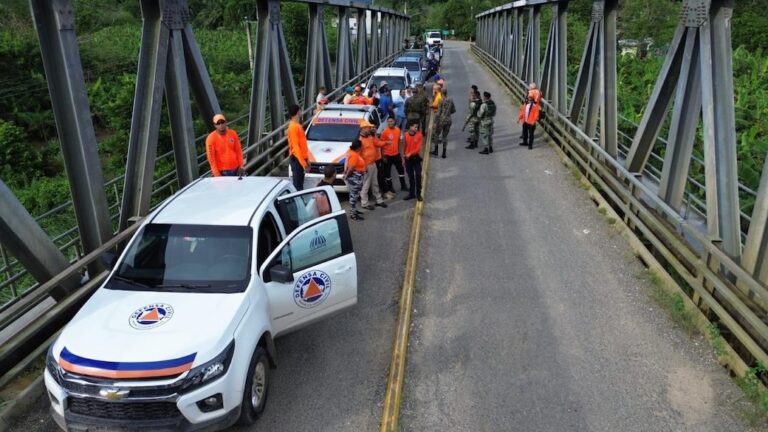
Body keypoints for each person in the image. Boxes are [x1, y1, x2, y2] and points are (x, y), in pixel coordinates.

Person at [358, 121, 388, 210]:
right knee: (366, 185)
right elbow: (358, 156)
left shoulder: (370, 137)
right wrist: (363, 167)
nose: (370, 128)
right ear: (363, 129)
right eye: (368, 127)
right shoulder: (360, 141)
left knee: (375, 183)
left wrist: (386, 142)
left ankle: (379, 200)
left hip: (373, 164)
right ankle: (364, 203)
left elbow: (377, 143)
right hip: (367, 166)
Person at [287, 104, 313, 190]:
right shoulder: (293, 127)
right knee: (298, 185)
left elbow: (302, 146)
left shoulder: (297, 126)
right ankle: (298, 201)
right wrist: (303, 163)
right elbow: (296, 147)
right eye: (300, 110)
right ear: (298, 112)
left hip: (300, 159)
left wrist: (307, 159)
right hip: (297, 159)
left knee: (299, 183)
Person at [380, 116, 407, 197]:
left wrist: (401, 154)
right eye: (388, 121)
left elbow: (399, 142)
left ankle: (403, 186)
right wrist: (383, 156)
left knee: (401, 171)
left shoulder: (398, 130)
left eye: (391, 121)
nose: (390, 123)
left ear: (394, 121)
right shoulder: (384, 131)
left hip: (396, 154)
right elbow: (381, 144)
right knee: (387, 173)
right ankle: (390, 188)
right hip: (387, 156)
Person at [342, 139, 367, 221]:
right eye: (361, 147)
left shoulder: (351, 152)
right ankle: (353, 215)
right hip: (355, 178)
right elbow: (351, 167)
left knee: (354, 195)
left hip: (356, 177)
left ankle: (354, 210)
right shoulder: (354, 155)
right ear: (358, 148)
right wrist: (346, 175)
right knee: (354, 196)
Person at [431, 87, 455, 159]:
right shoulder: (451, 100)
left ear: (441, 93)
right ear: (446, 93)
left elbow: (438, 113)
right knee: (445, 136)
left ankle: (436, 150)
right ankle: (444, 153)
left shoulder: (441, 101)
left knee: (436, 134)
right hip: (448, 120)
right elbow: (453, 110)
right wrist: (448, 113)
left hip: (441, 120)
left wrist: (435, 122)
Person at [403, 121, 424, 201]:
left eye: (417, 127)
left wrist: (410, 153)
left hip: (415, 159)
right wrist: (404, 158)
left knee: (418, 176)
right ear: (410, 127)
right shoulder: (405, 135)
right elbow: (404, 146)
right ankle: (412, 194)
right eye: (415, 127)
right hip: (408, 160)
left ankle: (418, 194)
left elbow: (418, 148)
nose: (416, 128)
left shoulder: (419, 135)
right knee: (411, 177)